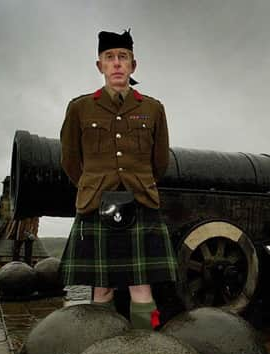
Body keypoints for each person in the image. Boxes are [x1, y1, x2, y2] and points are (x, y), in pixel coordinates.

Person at [59, 29, 177, 330]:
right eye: (109, 58)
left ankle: (146, 343)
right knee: (101, 288)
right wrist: (94, 185)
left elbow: (160, 162)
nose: (116, 64)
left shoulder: (153, 108)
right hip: (97, 204)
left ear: (133, 65)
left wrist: (139, 182)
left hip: (140, 202)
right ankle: (104, 346)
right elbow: (71, 161)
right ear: (99, 65)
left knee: (142, 287)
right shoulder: (79, 108)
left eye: (122, 57)